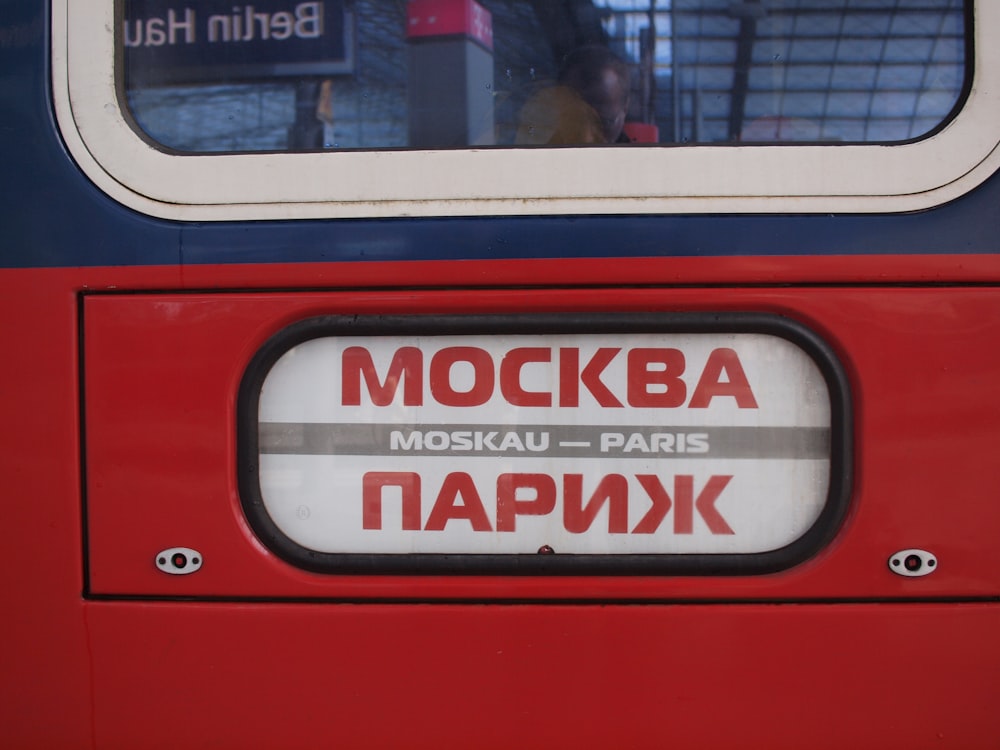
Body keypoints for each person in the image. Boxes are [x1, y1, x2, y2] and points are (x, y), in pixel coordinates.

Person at [516, 45, 631, 145]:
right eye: (574, 120)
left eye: (604, 123)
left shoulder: (641, 161)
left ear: (625, 109)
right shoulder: (534, 160)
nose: (587, 138)